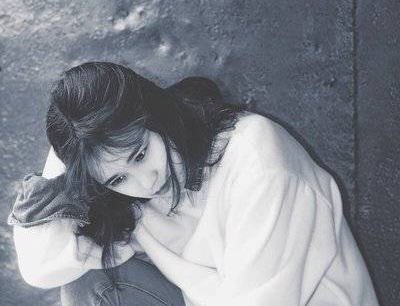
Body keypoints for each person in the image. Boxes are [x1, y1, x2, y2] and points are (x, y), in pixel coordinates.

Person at [8, 61, 380, 306]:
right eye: (118, 178)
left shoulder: (259, 160)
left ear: (154, 113)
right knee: (92, 284)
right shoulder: (127, 197)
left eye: (140, 154)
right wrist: (72, 150)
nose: (146, 182)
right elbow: (41, 268)